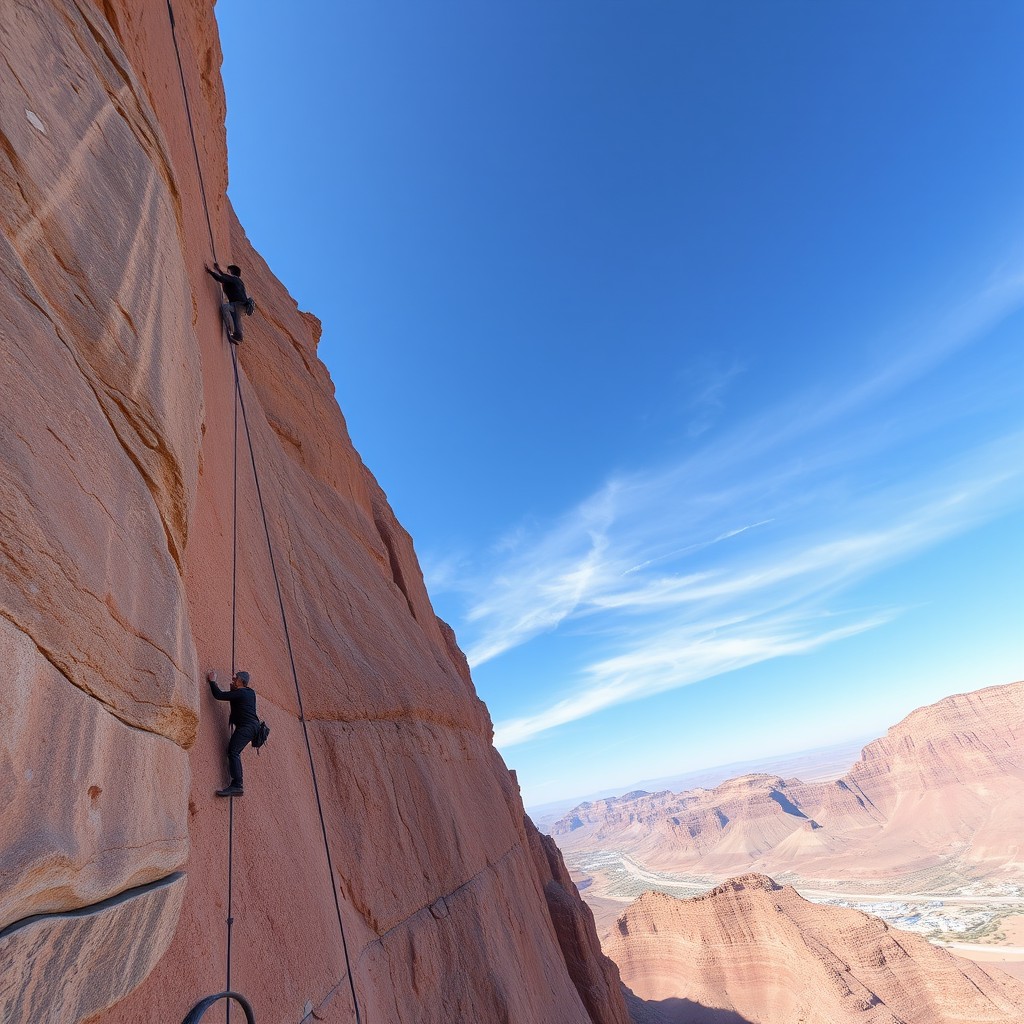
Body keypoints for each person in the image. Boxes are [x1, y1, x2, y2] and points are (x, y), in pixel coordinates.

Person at [207, 668, 259, 796]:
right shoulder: (250, 693)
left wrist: (212, 681)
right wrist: (234, 690)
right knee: (234, 751)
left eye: (235, 679)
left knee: (233, 752)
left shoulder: (242, 693)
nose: (233, 680)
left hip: (247, 727)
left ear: (242, 681)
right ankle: (237, 784)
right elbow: (238, 703)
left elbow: (219, 695)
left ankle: (237, 785)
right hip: (252, 727)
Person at [205, 262, 250, 343]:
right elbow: (226, 279)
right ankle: (237, 334)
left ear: (231, 272)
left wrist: (210, 271)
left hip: (237, 303)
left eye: (228, 271)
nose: (227, 272)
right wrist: (218, 270)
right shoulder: (238, 281)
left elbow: (221, 279)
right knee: (236, 318)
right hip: (243, 304)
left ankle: (236, 335)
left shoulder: (232, 278)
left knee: (226, 309)